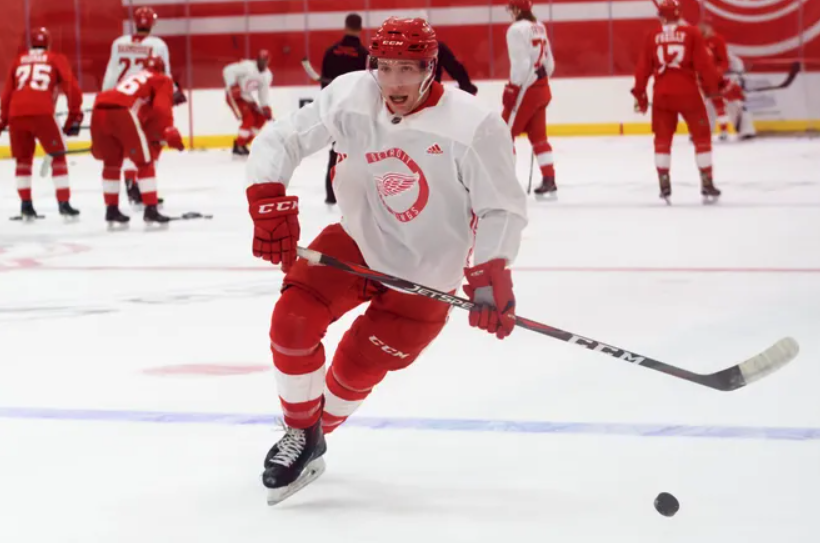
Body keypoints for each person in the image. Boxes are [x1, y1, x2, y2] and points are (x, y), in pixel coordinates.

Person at [245, 17, 527, 505]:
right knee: (291, 322)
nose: (394, 83)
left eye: (408, 69)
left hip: (426, 273)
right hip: (357, 240)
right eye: (386, 68)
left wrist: (490, 275)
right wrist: (267, 198)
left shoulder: (474, 125)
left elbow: (499, 205)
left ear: (430, 68)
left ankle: (314, 437)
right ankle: (299, 432)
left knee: (356, 370)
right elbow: (283, 138)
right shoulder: (352, 95)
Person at [631, 0, 722, 203]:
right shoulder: (692, 34)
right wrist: (714, 88)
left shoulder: (652, 36)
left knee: (662, 140)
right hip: (688, 93)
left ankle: (664, 184)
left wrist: (640, 95)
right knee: (702, 137)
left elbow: (642, 69)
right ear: (678, 15)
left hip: (662, 95)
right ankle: (707, 182)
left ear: (662, 17)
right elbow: (705, 66)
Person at [101, 5, 185, 205]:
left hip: (121, 98)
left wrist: (106, 98)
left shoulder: (119, 42)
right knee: (148, 144)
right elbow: (164, 74)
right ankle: (140, 186)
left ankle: (131, 183)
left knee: (131, 144)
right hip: (145, 101)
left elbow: (111, 74)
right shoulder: (158, 45)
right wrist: (173, 92)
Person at [0, 27, 83, 220]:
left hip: (16, 114)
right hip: (42, 112)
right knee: (58, 156)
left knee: (22, 161)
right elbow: (72, 89)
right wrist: (74, 117)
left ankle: (26, 206)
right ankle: (63, 203)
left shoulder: (18, 60)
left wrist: (3, 120)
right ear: (48, 43)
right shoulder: (55, 58)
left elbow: (6, 95)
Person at [91, 56, 185, 226]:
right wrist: (169, 129)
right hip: (121, 111)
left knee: (111, 163)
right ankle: (151, 209)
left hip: (99, 106)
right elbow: (161, 107)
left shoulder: (133, 76)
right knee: (145, 162)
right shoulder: (163, 79)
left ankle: (111, 210)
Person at [502, 0, 557, 198]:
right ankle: (549, 178)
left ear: (517, 9)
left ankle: (505, 183)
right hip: (542, 88)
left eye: (511, 9)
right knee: (539, 137)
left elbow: (522, 64)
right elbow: (549, 63)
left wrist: (513, 88)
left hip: (526, 88)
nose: (510, 13)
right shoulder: (539, 26)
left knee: (503, 135)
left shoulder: (516, 30)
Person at [320, 13, 369, 205]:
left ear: (345, 26)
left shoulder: (331, 52)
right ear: (360, 28)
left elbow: (324, 86)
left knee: (335, 152)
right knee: (357, 153)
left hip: (334, 110)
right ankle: (355, 196)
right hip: (355, 110)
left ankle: (331, 195)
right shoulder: (364, 54)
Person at [224, 50, 274, 156]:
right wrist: (232, 85)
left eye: (264, 60)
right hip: (234, 95)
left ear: (268, 61)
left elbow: (263, 93)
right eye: (260, 59)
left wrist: (265, 107)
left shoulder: (267, 75)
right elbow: (228, 70)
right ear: (257, 59)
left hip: (246, 96)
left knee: (261, 117)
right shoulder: (247, 66)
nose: (262, 62)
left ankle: (243, 143)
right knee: (249, 118)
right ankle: (238, 145)